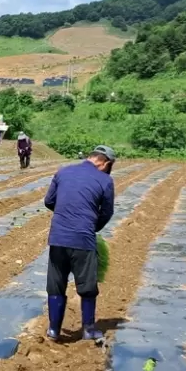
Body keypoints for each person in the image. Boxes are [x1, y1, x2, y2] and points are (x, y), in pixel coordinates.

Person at [43, 145, 116, 342]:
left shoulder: (63, 172)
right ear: (105, 163)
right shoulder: (105, 180)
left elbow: (49, 201)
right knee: (87, 286)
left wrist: (67, 213)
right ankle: (88, 330)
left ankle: (53, 330)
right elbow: (107, 212)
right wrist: (92, 226)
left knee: (56, 284)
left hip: (58, 237)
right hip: (83, 238)